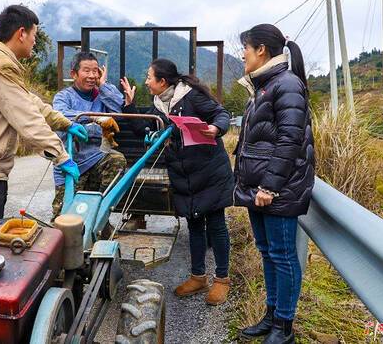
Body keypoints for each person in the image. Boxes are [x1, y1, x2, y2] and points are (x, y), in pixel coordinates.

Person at [0, 5, 87, 271]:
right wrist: (61, 155)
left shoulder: (0, 63)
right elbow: (27, 117)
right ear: (21, 33)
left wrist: (64, 123)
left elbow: (29, 102)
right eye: (34, 35)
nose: (35, 42)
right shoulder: (0, 66)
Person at [120, 59, 234, 306]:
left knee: (216, 224)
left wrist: (215, 128)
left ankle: (222, 279)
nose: (147, 81)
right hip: (185, 174)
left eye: (150, 77)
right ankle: (198, 277)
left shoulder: (191, 97)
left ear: (163, 81)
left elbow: (221, 113)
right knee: (193, 225)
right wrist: (129, 104)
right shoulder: (159, 105)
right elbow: (144, 131)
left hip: (210, 170)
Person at [233, 23, 315, 344]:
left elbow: (290, 140)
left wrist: (269, 187)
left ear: (261, 51)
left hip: (277, 190)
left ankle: (285, 326)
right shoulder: (265, 86)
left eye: (246, 51)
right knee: (267, 252)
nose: (244, 57)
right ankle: (271, 316)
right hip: (259, 189)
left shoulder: (287, 84)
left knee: (282, 255)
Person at [51, 51, 127, 218]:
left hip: (96, 157)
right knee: (63, 217)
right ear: (73, 73)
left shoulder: (103, 94)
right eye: (86, 70)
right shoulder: (63, 97)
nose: (92, 75)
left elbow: (118, 109)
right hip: (71, 162)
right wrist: (95, 119)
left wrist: (103, 85)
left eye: (95, 71)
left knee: (117, 160)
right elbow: (61, 116)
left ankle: (99, 211)